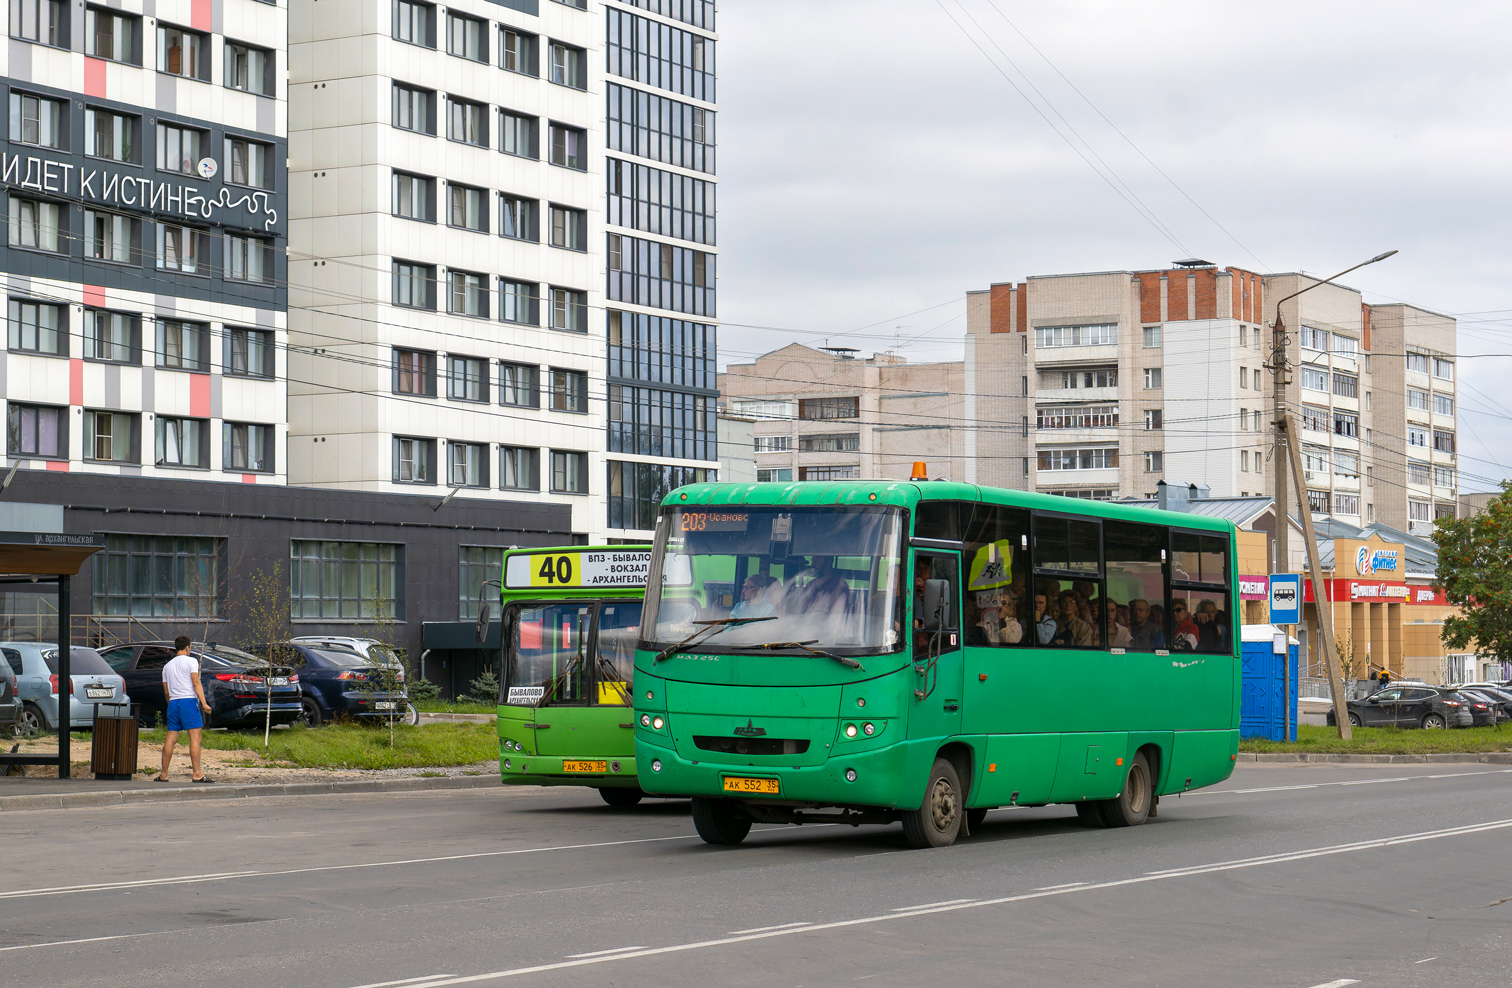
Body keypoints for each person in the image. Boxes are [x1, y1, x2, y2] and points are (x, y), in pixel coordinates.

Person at [156, 635, 214, 784]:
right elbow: (195, 682)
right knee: (195, 738)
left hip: (174, 703)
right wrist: (204, 703)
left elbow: (166, 692)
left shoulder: (167, 666)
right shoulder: (191, 661)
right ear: (188, 647)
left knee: (170, 739)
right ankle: (197, 774)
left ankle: (163, 774)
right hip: (188, 701)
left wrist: (171, 704)